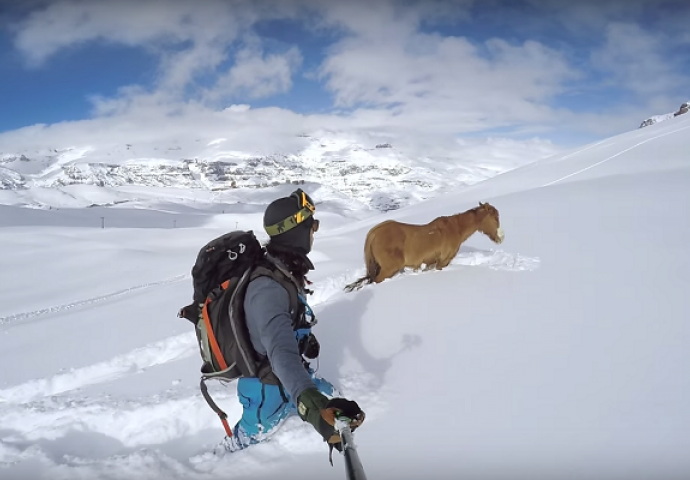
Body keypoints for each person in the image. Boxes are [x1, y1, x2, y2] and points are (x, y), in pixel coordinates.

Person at [220, 188, 365, 456]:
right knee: (252, 436)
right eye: (313, 226)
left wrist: (304, 337)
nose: (314, 232)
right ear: (296, 231)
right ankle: (225, 454)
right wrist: (312, 406)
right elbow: (280, 353)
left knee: (333, 396)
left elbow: (283, 326)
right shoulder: (268, 288)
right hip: (266, 388)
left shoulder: (281, 268)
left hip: (289, 374)